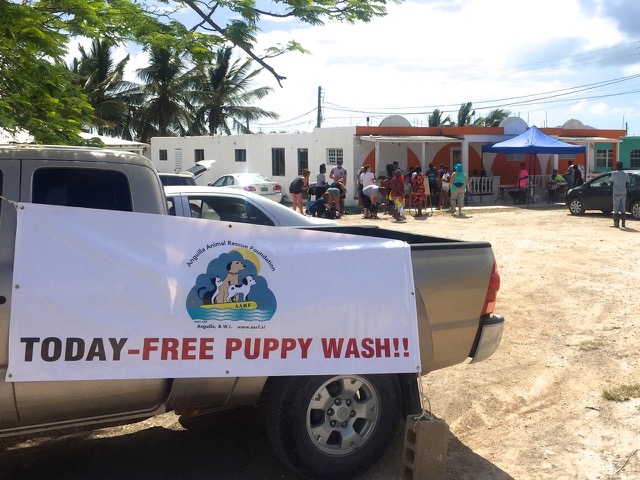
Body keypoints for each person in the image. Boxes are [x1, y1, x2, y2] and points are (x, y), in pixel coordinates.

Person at [610, 160, 630, 228]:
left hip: (616, 193)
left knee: (616, 208)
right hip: (623, 193)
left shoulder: (614, 173)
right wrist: (625, 190)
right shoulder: (626, 174)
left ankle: (616, 224)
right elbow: (627, 184)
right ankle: (623, 224)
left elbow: (611, 181)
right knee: (623, 208)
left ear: (616, 166)